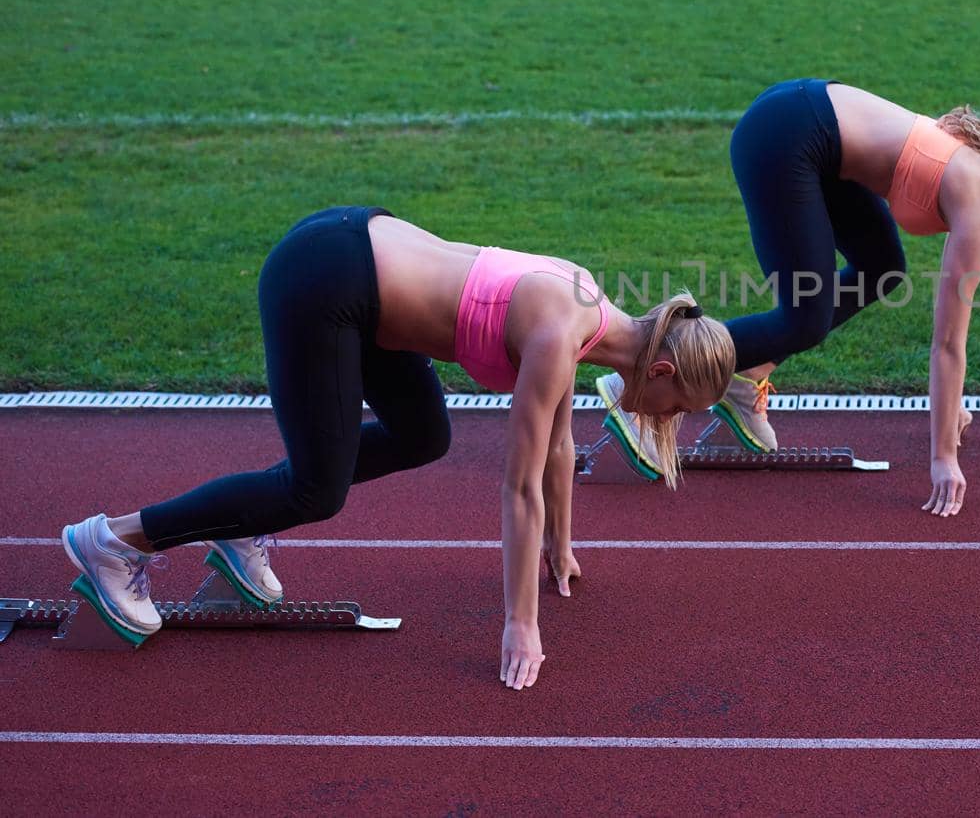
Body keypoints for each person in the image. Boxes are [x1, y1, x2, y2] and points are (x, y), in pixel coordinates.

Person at [60, 206, 734, 690]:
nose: (667, 421)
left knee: (423, 434)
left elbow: (558, 445)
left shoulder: (588, 304)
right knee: (313, 491)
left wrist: (560, 547)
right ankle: (118, 540)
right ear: (663, 372)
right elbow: (520, 486)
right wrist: (520, 624)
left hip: (360, 257)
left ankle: (243, 525)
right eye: (678, 408)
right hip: (327, 283)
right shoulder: (560, 335)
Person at [599, 79, 980, 518]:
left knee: (881, 269)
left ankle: (744, 376)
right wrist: (942, 457)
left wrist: (951, 410)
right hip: (786, 137)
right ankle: (642, 373)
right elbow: (948, 345)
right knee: (804, 319)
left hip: (809, 132)